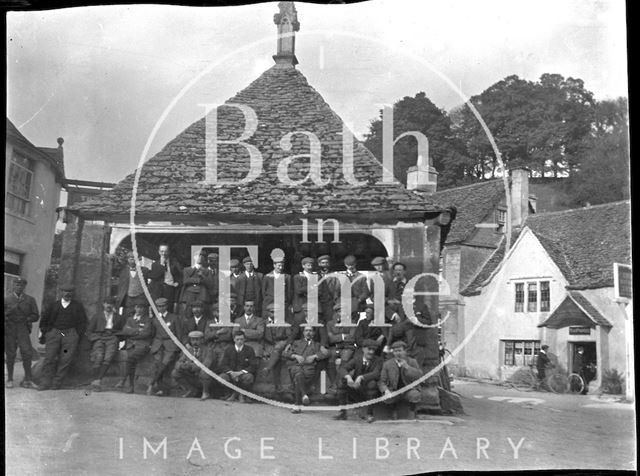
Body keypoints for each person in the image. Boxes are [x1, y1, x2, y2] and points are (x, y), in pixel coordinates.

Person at [38, 284, 87, 390]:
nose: (67, 294)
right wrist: (47, 332)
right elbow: (44, 319)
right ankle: (44, 382)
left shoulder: (77, 306)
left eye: (70, 292)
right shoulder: (54, 305)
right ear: (61, 292)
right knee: (49, 358)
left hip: (70, 334)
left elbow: (83, 322)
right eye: (65, 291)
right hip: (54, 333)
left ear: (72, 293)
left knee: (65, 359)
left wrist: (77, 334)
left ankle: (57, 383)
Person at [334, 339, 382, 422]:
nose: (371, 352)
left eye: (373, 350)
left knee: (372, 383)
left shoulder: (378, 361)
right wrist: (348, 377)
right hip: (357, 390)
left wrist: (361, 377)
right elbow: (343, 368)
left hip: (371, 393)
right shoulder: (357, 359)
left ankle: (369, 414)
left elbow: (376, 373)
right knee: (342, 382)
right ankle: (342, 412)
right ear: (363, 349)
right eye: (369, 349)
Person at [4, 277, 39, 389]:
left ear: (24, 287)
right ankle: (9, 379)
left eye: (21, 285)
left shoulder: (30, 300)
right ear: (13, 286)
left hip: (23, 328)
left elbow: (35, 315)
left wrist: (27, 319)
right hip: (10, 329)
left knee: (27, 353)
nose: (19, 287)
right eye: (17, 285)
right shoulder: (7, 299)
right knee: (10, 354)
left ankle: (27, 379)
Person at [284, 325, 329, 413]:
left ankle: (298, 403)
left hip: (309, 369)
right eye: (306, 331)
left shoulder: (317, 345)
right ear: (303, 332)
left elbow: (327, 353)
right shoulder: (296, 343)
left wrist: (315, 356)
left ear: (314, 333)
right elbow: (284, 353)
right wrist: (295, 356)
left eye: (310, 331)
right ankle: (303, 396)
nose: (308, 333)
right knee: (297, 372)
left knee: (298, 376)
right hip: (296, 366)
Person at [87, 296, 125, 389]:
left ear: (114, 305)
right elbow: (89, 331)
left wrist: (117, 336)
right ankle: (95, 380)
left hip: (112, 338)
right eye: (107, 303)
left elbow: (123, 331)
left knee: (108, 357)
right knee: (99, 356)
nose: (109, 305)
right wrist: (95, 338)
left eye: (111, 303)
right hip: (99, 337)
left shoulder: (119, 318)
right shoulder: (97, 316)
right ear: (103, 304)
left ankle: (98, 380)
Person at [378, 340, 423, 419]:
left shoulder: (412, 361)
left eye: (400, 351)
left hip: (409, 390)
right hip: (394, 390)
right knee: (387, 397)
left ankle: (413, 411)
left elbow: (419, 375)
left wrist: (407, 367)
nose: (398, 353)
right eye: (395, 351)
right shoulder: (387, 364)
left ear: (405, 351)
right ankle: (393, 411)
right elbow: (382, 381)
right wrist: (386, 391)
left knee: (414, 395)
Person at [147, 297, 182, 396]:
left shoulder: (174, 318)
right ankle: (161, 389)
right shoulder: (155, 319)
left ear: (166, 306)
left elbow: (179, 333)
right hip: (158, 344)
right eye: (158, 306)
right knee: (158, 363)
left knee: (165, 363)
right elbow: (152, 333)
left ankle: (151, 384)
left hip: (170, 344)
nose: (160, 308)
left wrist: (178, 347)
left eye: (162, 306)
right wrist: (151, 345)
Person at [118, 302, 153, 393]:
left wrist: (132, 333)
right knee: (131, 362)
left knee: (130, 359)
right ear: (135, 308)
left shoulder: (148, 320)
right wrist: (138, 330)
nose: (139, 309)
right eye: (138, 307)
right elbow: (125, 331)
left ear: (145, 309)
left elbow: (146, 333)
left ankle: (124, 380)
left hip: (143, 345)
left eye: (142, 307)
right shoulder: (130, 319)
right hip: (130, 345)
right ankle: (131, 386)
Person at [262, 303, 294, 395]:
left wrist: (284, 344)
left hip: (281, 345)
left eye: (276, 312)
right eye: (272, 312)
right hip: (269, 346)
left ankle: (267, 369)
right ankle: (277, 386)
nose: (274, 314)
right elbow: (261, 338)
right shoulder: (264, 323)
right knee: (277, 358)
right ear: (267, 313)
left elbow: (289, 337)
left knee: (277, 349)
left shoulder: (284, 323)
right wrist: (263, 350)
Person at [218, 330, 258, 403]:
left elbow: (253, 365)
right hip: (231, 373)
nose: (239, 341)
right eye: (237, 339)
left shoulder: (249, 349)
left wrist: (240, 372)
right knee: (222, 377)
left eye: (241, 339)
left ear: (244, 339)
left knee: (249, 377)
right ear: (234, 340)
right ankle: (229, 393)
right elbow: (223, 364)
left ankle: (242, 394)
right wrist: (231, 372)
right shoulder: (228, 349)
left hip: (242, 374)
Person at [172, 330, 210, 398]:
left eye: (197, 340)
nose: (195, 342)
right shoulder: (188, 350)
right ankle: (191, 390)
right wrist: (182, 366)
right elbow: (178, 362)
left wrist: (191, 366)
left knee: (204, 372)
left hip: (204, 378)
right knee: (175, 373)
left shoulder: (208, 350)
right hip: (192, 375)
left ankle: (205, 392)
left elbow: (206, 364)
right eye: (193, 340)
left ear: (202, 340)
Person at [326, 304, 357, 386]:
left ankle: (340, 383)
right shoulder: (330, 324)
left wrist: (336, 339)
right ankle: (333, 383)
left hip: (347, 348)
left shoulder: (352, 323)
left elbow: (352, 338)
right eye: (340, 312)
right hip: (334, 348)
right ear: (336, 313)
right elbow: (330, 339)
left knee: (345, 359)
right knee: (330, 360)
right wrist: (343, 336)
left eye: (344, 312)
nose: (342, 314)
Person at [148, 243, 183, 313]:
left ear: (169, 252)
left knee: (168, 312)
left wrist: (178, 283)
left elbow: (181, 276)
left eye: (165, 251)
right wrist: (162, 264)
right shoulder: (155, 264)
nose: (163, 253)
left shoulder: (174, 263)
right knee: (157, 313)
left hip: (170, 291)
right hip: (157, 292)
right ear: (159, 252)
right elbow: (155, 276)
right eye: (161, 251)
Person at [116, 251, 150, 319]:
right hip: (129, 297)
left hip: (140, 296)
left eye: (135, 258)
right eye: (131, 258)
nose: (133, 260)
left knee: (142, 314)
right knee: (127, 314)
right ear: (128, 259)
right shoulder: (123, 271)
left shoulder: (144, 270)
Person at [180, 254, 214, 318]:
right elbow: (185, 281)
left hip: (202, 293)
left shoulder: (207, 271)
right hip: (190, 293)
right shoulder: (187, 269)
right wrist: (198, 280)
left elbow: (210, 283)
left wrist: (202, 276)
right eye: (198, 256)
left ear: (204, 259)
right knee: (189, 311)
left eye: (202, 256)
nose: (200, 258)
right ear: (194, 258)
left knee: (202, 312)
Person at [341, 255, 370, 320]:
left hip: (359, 305)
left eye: (352, 265)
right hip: (345, 304)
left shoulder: (361, 276)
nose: (350, 267)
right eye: (348, 265)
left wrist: (358, 300)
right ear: (345, 265)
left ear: (355, 264)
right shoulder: (341, 276)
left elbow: (366, 292)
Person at [317, 255, 339, 323]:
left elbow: (337, 289)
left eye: (327, 263)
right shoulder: (315, 275)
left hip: (330, 303)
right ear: (319, 264)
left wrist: (335, 301)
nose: (325, 265)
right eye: (323, 263)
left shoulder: (334, 275)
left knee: (330, 322)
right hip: (318, 303)